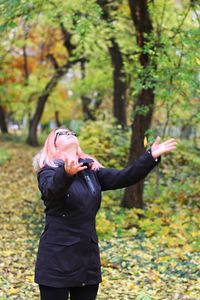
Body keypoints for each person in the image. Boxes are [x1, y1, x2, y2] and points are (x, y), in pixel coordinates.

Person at [33, 127, 177, 300]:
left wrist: (150, 156)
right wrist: (66, 174)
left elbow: (125, 177)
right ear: (53, 145)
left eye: (72, 132)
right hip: (56, 259)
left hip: (86, 259)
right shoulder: (48, 171)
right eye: (63, 133)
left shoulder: (90, 170)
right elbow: (51, 191)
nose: (70, 134)